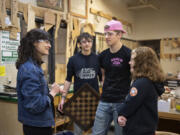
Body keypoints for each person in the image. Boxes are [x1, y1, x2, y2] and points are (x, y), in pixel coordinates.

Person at [16, 29, 64, 135]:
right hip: (36, 126)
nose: (50, 45)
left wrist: (52, 89)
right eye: (46, 42)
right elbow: (35, 105)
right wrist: (53, 93)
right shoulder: (29, 69)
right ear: (34, 42)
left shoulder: (34, 66)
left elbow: (38, 92)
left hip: (39, 123)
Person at [58, 32, 102, 135]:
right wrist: (63, 98)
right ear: (79, 44)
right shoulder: (73, 60)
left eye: (89, 41)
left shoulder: (97, 59)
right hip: (79, 99)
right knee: (78, 131)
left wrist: (103, 96)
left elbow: (101, 79)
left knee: (96, 129)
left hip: (94, 99)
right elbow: (68, 79)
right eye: (84, 42)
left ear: (92, 43)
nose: (87, 44)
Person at [92, 20, 131, 135]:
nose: (106, 37)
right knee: (97, 133)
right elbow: (103, 76)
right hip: (104, 101)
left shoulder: (128, 54)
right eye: (105, 34)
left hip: (122, 102)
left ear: (119, 35)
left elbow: (134, 78)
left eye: (110, 34)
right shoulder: (103, 56)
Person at [118, 47, 165, 135]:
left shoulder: (141, 83)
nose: (129, 62)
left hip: (137, 130)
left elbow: (130, 103)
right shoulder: (151, 81)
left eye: (132, 60)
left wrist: (121, 113)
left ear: (140, 63)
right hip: (147, 128)